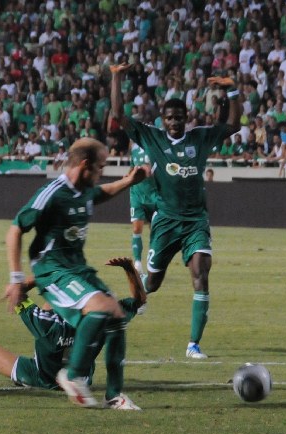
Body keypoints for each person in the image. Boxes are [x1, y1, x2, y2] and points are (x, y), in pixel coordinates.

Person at [4, 138, 149, 407]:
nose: (102, 172)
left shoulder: (83, 190)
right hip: (52, 269)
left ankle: (114, 396)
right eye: (100, 166)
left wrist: (128, 181)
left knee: (116, 314)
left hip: (77, 268)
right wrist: (16, 279)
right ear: (85, 165)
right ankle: (73, 375)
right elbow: (15, 230)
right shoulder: (52, 193)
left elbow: (101, 193)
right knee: (102, 308)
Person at [110, 64, 240, 359]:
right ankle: (121, 304)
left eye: (178, 117)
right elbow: (118, 116)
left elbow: (233, 125)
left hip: (196, 221)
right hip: (166, 221)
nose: (174, 122)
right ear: (163, 120)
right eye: (169, 118)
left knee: (201, 272)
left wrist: (231, 88)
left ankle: (193, 344)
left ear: (186, 118)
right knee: (151, 285)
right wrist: (116, 76)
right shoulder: (153, 138)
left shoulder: (200, 138)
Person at [0, 257, 146, 409]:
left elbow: (17, 295)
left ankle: (28, 380)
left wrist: (42, 277)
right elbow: (139, 301)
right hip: (82, 382)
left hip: (40, 377)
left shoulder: (46, 322)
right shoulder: (105, 317)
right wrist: (129, 269)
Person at [128, 140, 156, 275]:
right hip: (137, 194)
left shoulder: (157, 147)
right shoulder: (134, 149)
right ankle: (137, 262)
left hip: (155, 196)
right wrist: (129, 177)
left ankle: (152, 260)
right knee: (136, 227)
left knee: (155, 230)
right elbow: (132, 168)